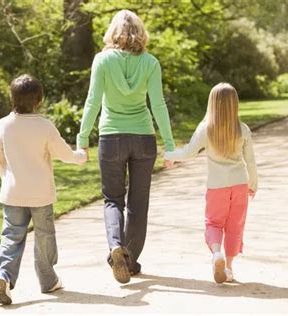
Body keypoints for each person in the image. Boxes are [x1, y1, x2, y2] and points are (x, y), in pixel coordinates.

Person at [76, 10, 175, 284]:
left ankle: (115, 246)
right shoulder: (151, 62)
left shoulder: (102, 60)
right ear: (140, 33)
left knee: (112, 199)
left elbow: (93, 101)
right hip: (143, 138)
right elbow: (158, 104)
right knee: (138, 204)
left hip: (111, 138)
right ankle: (129, 261)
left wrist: (82, 139)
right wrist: (169, 144)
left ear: (113, 32)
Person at [0, 74, 87, 305]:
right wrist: (80, 157)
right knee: (44, 237)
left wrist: (7, 180)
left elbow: (0, 158)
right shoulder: (44, 126)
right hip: (41, 194)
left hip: (13, 192)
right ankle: (48, 280)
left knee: (11, 237)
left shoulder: (4, 124)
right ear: (39, 100)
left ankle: (2, 275)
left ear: (12, 98)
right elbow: (64, 154)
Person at [164, 82, 258, 283]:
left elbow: (189, 153)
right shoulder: (242, 129)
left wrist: (169, 154)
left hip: (216, 186)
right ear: (235, 104)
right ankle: (230, 268)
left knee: (214, 223)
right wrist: (253, 184)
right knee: (235, 225)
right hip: (240, 184)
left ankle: (217, 254)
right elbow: (250, 160)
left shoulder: (205, 129)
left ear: (212, 103)